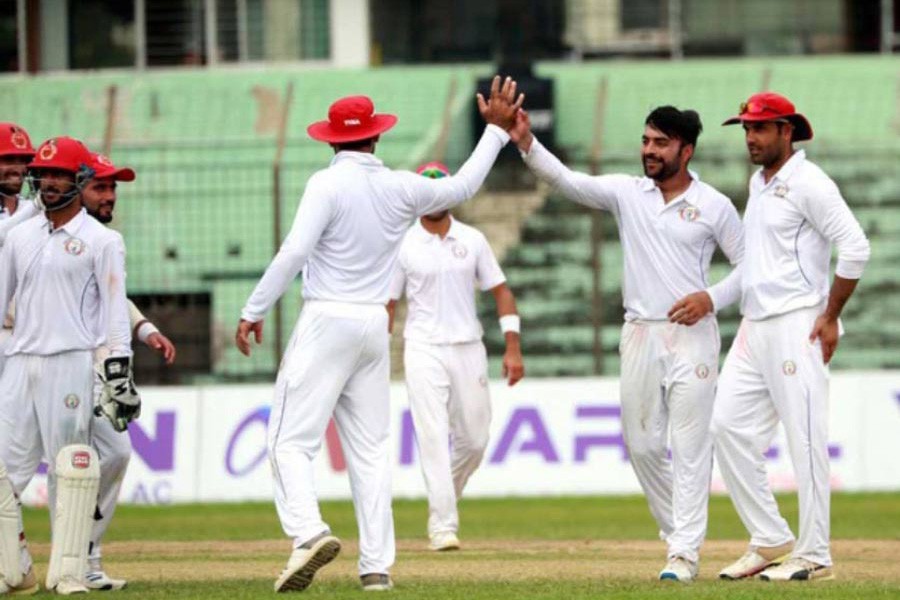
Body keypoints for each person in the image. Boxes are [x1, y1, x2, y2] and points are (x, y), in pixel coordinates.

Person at [235, 77, 523, 592]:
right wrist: (496, 133)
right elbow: (460, 188)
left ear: (330, 140)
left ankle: (307, 533)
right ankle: (376, 568)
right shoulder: (400, 186)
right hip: (374, 325)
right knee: (369, 451)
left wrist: (255, 308)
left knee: (287, 442)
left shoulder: (326, 184)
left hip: (327, 318)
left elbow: (295, 253)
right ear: (375, 138)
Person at [509, 106, 744, 582]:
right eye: (646, 141)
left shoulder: (714, 205)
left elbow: (750, 267)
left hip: (692, 335)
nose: (649, 151)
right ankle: (676, 532)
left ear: (686, 149)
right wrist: (525, 141)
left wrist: (710, 298)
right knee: (641, 445)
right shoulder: (627, 193)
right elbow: (567, 180)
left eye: (660, 143)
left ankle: (683, 553)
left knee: (691, 446)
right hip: (639, 331)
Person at [712, 92, 870, 582]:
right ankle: (770, 537)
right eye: (745, 129)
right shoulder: (758, 184)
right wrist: (712, 299)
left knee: (804, 439)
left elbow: (856, 247)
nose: (750, 138)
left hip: (797, 322)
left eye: (759, 129)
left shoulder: (810, 182)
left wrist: (829, 315)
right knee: (726, 427)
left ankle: (816, 552)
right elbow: (756, 264)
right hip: (755, 325)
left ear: (786, 130)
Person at [0, 136, 134, 595]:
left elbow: (116, 311)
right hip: (20, 363)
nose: (50, 182)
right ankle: (13, 569)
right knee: (5, 473)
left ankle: (71, 571)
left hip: (71, 363)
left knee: (70, 469)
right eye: (44, 173)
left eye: (60, 174)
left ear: (79, 179)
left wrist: (118, 372)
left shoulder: (103, 241)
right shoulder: (18, 236)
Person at [387, 161, 525, 552]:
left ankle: (443, 498)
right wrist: (374, 352)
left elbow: (500, 291)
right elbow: (388, 303)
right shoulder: (404, 244)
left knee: (476, 440)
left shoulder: (473, 239)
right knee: (431, 435)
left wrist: (512, 345)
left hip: (468, 346)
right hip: (423, 347)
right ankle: (443, 525)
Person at [79, 151, 177, 590]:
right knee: (23, 467)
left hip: (93, 364)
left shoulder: (104, 239)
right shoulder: (39, 234)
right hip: (37, 360)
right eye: (100, 186)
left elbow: (113, 296)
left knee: (114, 453)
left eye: (112, 188)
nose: (110, 196)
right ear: (75, 187)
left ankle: (86, 559)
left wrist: (144, 329)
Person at [0, 122, 35, 378]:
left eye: (22, 160)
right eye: (7, 159)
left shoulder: (30, 209)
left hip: (29, 337)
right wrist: (39, 208)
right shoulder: (34, 211)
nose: (17, 169)